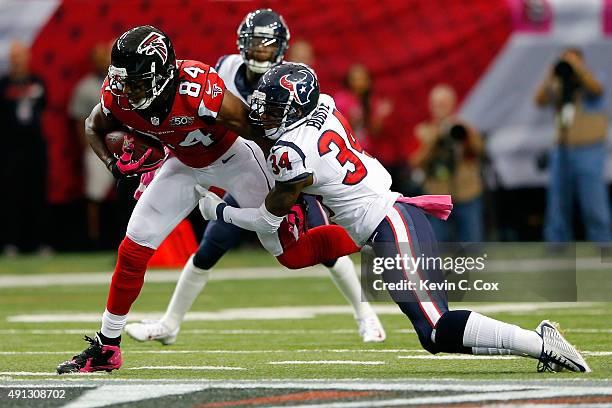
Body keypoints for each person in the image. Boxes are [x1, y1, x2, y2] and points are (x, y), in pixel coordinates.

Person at [199, 62, 591, 373]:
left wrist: (220, 210)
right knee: (432, 334)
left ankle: (541, 343)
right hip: (387, 220)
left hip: (390, 222)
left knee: (437, 326)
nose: (262, 114)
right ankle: (539, 344)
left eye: (272, 108)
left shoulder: (292, 155)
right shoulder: (324, 106)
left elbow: (268, 221)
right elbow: (283, 135)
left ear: (293, 110)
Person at [124, 9, 385, 346]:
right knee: (209, 249)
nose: (260, 50)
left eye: (267, 44)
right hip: (244, 171)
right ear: (241, 44)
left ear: (280, 48)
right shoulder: (225, 69)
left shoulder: (286, 80)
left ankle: (366, 315)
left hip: (286, 175)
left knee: (321, 248)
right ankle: (170, 324)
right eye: (255, 43)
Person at [55, 25, 281, 374]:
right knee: (132, 249)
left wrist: (287, 176)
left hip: (234, 159)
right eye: (122, 79)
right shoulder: (118, 95)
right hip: (182, 164)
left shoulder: (198, 88)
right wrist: (113, 164)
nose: (126, 89)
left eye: (136, 81)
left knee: (291, 250)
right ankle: (107, 347)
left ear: (161, 73)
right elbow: (92, 126)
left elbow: (255, 130)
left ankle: (368, 229)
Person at [534, 47, 611, 246]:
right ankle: (556, 241)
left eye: (572, 60)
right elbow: (539, 100)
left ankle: (602, 241)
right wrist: (552, 74)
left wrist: (578, 70)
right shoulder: (559, 82)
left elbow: (597, 90)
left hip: (590, 148)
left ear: (581, 61)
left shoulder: (594, 77)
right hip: (562, 148)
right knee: (558, 198)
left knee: (594, 200)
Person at [410, 84, 484, 243]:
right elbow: (414, 162)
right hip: (438, 195)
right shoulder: (423, 130)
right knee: (438, 244)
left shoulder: (463, 127)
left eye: (444, 104)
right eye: (437, 104)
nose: (440, 108)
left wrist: (466, 134)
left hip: (467, 192)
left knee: (471, 243)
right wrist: (434, 139)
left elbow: (479, 151)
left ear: (453, 104)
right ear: (430, 106)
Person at [0, 40, 50, 256]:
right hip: (10, 150)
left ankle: (39, 242)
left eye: (20, 56)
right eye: (14, 57)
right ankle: (11, 242)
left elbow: (44, 106)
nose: (17, 61)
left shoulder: (37, 82)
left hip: (34, 148)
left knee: (37, 194)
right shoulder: (3, 84)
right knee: (11, 196)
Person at [68, 41, 114, 247]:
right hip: (99, 145)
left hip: (127, 146)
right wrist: (88, 146)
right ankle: (93, 238)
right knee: (95, 194)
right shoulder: (85, 87)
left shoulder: (121, 82)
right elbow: (79, 120)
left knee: (128, 192)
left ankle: (122, 233)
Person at [334, 63, 393, 154]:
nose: (359, 83)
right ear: (348, 81)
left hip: (368, 151)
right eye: (356, 79)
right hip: (347, 150)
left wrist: (380, 115)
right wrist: (354, 119)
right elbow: (337, 128)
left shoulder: (372, 100)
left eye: (363, 79)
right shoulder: (341, 100)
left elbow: (375, 132)